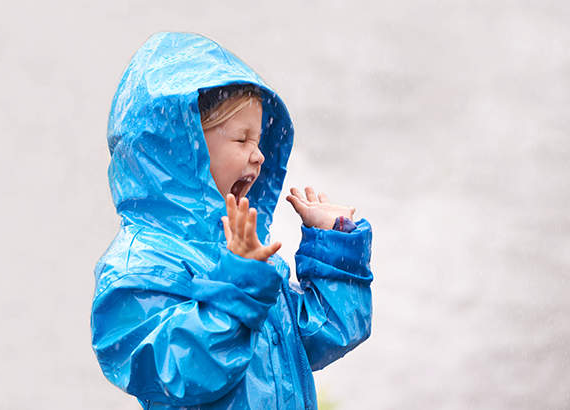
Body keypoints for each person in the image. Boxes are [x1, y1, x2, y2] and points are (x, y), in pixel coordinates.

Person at [91, 32, 373, 410]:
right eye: (242, 140)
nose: (258, 156)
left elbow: (319, 337)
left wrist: (335, 250)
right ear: (181, 148)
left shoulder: (247, 255)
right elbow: (183, 371)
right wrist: (239, 281)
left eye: (259, 142)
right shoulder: (139, 265)